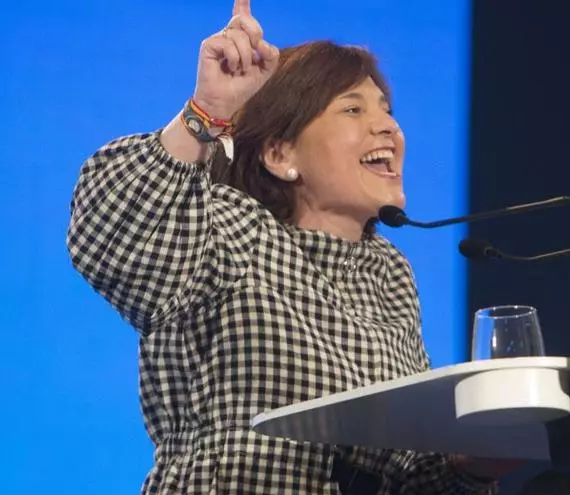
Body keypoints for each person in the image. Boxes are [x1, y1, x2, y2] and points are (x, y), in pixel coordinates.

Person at [65, 1, 522, 493]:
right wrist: (206, 114)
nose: (388, 127)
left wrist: (469, 465)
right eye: (353, 109)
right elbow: (110, 231)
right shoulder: (233, 231)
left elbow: (404, 471)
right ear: (280, 154)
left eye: (387, 111)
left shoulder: (390, 274)